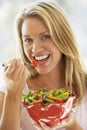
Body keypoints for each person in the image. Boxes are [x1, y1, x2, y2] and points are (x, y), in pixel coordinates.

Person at [0, 0, 87, 130]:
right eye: (28, 40)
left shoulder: (84, 86)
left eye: (45, 37)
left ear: (63, 37)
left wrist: (70, 124)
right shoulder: (9, 91)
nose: (35, 49)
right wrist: (13, 94)